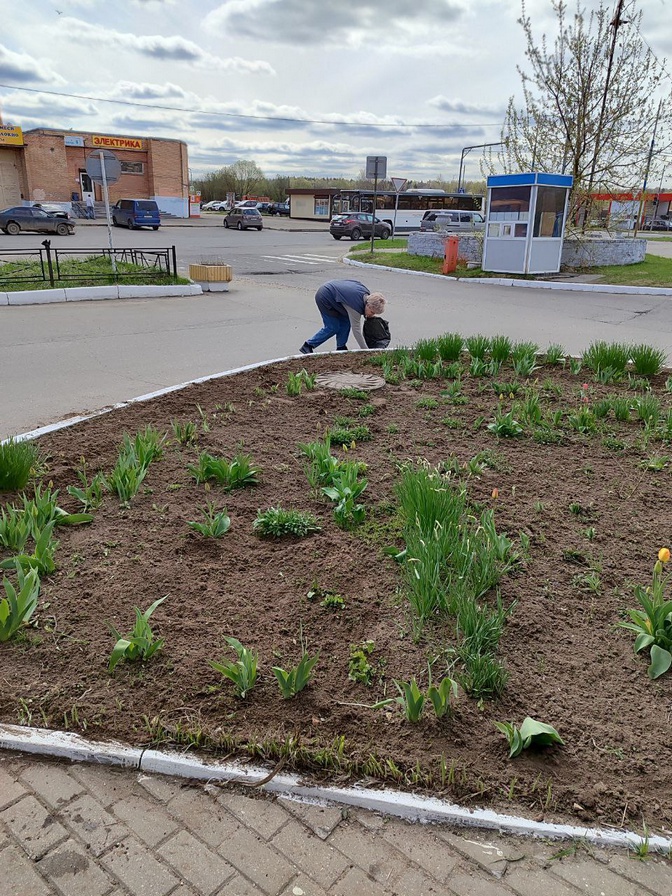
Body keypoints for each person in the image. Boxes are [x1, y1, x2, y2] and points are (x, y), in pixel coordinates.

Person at [299, 280, 386, 354]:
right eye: (372, 312)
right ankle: (308, 345)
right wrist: (366, 351)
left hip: (337, 297)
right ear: (368, 305)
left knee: (346, 322)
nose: (372, 315)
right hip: (325, 296)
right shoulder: (355, 307)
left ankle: (341, 347)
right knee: (332, 327)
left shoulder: (366, 295)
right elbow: (356, 331)